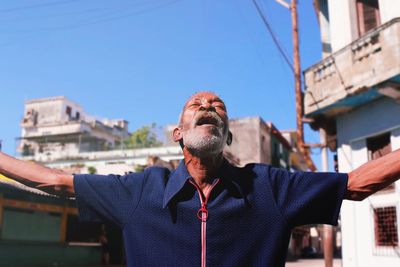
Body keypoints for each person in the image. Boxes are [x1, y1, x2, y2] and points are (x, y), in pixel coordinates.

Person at [0, 91, 399, 267]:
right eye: (196, 104)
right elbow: (54, 180)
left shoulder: (268, 187)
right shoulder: (141, 190)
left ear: (226, 135)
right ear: (178, 134)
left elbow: (356, 183)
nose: (207, 106)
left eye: (217, 106)